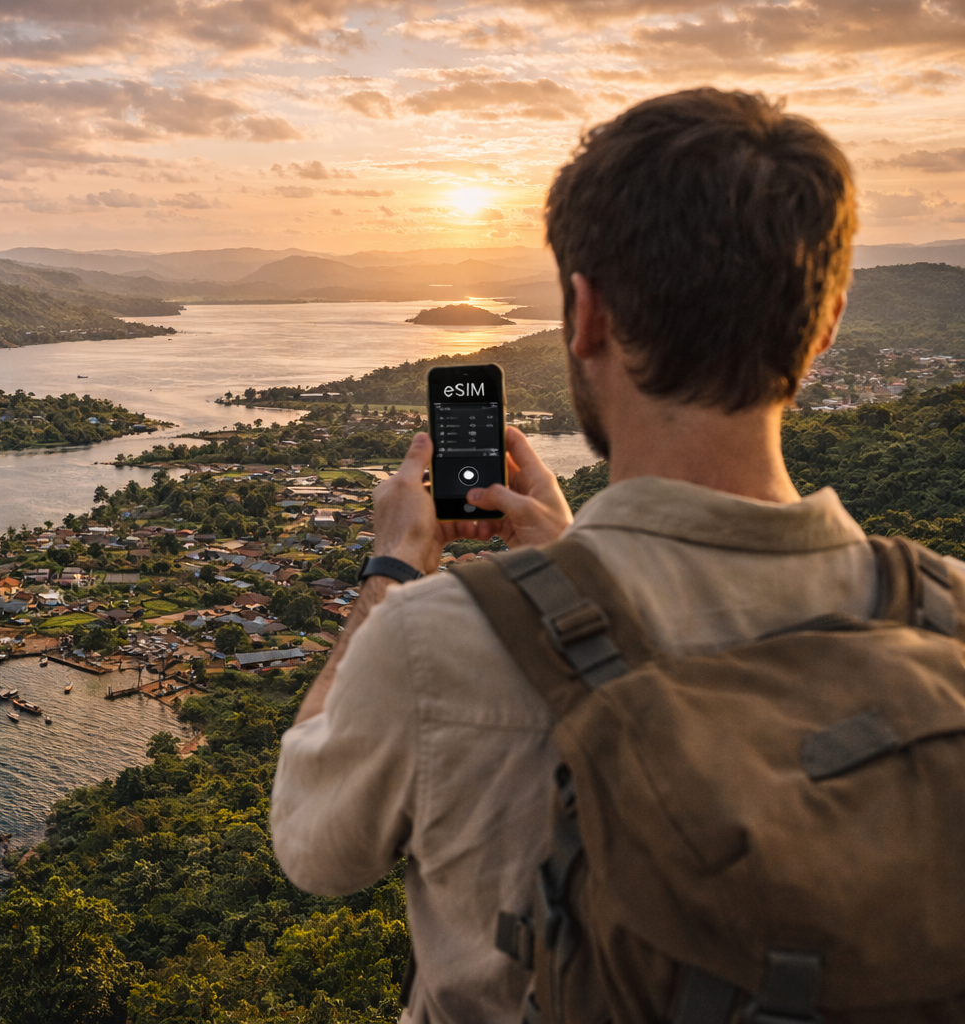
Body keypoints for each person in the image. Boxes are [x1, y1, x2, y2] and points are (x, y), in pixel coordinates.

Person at [268, 87, 901, 1021]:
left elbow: (311, 848)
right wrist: (572, 561)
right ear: (827, 323)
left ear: (586, 313)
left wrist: (395, 569)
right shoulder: (942, 618)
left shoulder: (441, 643)